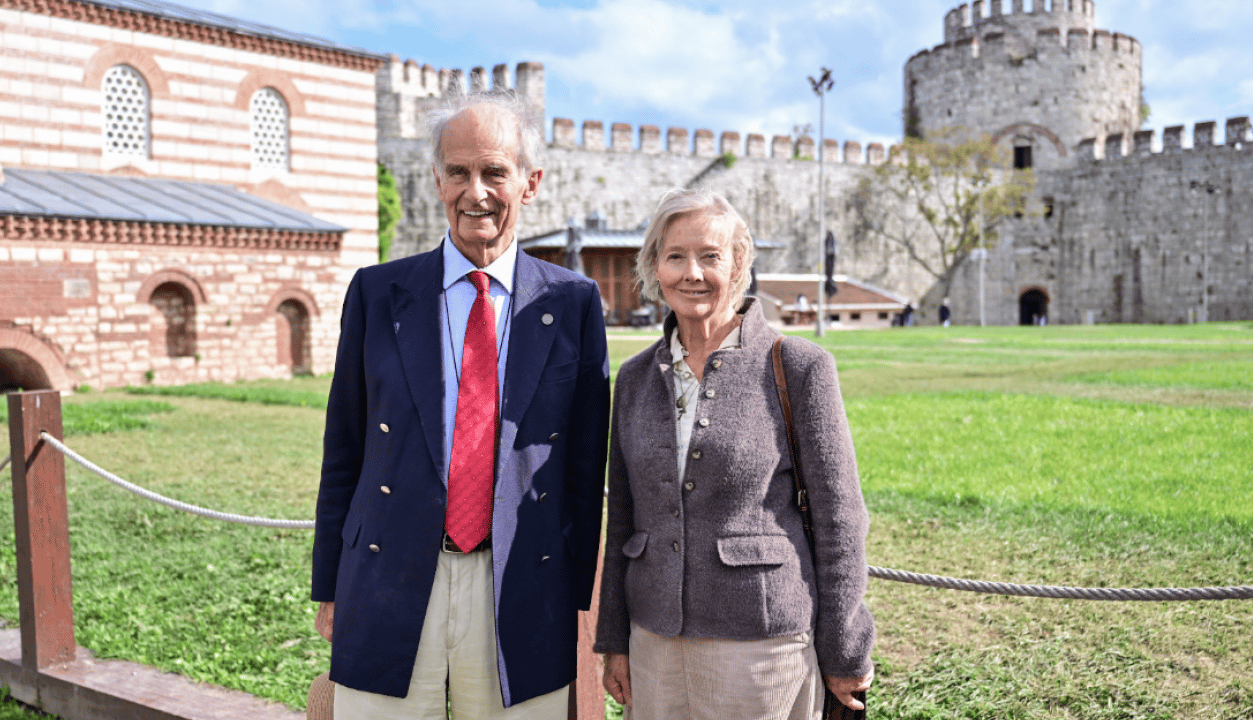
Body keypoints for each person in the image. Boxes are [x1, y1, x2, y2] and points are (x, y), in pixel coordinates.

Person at [311, 95, 611, 720]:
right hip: (388, 571)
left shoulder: (574, 303)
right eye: (458, 172)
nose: (476, 192)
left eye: (495, 172)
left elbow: (585, 466)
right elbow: (344, 449)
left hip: (521, 581)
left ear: (530, 184)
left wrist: (576, 601)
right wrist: (330, 583)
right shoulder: (376, 294)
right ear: (437, 181)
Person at [594, 188, 874, 720]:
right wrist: (616, 638)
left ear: (739, 264)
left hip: (763, 646)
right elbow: (624, 516)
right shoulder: (632, 379)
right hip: (654, 642)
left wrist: (845, 647)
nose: (691, 272)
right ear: (655, 266)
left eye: (710, 256)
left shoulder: (799, 366)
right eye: (675, 256)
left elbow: (841, 519)